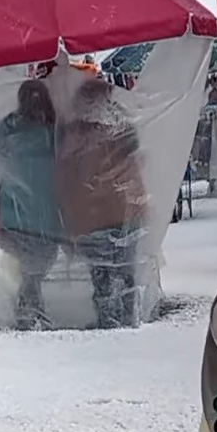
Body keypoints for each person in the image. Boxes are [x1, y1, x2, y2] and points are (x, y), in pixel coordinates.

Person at [55, 79, 147, 329]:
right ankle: (128, 315)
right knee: (126, 269)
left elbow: (65, 175)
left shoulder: (74, 134)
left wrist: (67, 213)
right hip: (126, 209)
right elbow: (135, 162)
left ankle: (108, 319)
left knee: (100, 273)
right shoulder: (124, 127)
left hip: (91, 213)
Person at [0, 80, 63, 328]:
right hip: (46, 214)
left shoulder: (7, 128)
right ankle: (30, 306)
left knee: (27, 265)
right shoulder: (53, 129)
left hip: (13, 213)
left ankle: (28, 307)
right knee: (36, 265)